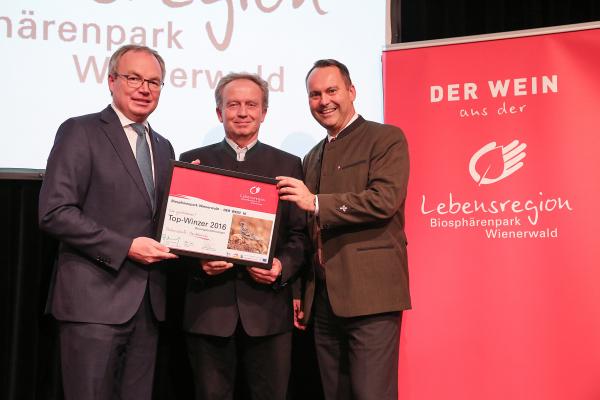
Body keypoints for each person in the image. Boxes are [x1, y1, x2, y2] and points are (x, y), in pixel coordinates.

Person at [38, 44, 177, 400]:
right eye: (134, 78)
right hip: (93, 303)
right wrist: (125, 246)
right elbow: (55, 212)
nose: (144, 88)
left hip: (148, 306)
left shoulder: (163, 147)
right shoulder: (80, 131)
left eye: (154, 82)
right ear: (112, 80)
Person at [277, 59, 411, 400]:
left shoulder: (385, 138)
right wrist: (299, 292)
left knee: (372, 394)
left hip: (371, 296)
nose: (324, 101)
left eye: (332, 90)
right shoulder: (311, 157)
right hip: (322, 302)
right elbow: (307, 232)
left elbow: (385, 200)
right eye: (315, 94)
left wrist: (318, 202)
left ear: (351, 91)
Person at [180, 72, 307, 400]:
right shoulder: (193, 161)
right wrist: (198, 264)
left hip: (267, 313)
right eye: (232, 104)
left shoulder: (288, 164)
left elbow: (300, 235)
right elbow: (177, 234)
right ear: (219, 112)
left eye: (252, 104)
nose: (242, 112)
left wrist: (281, 266)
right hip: (208, 310)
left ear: (264, 112)